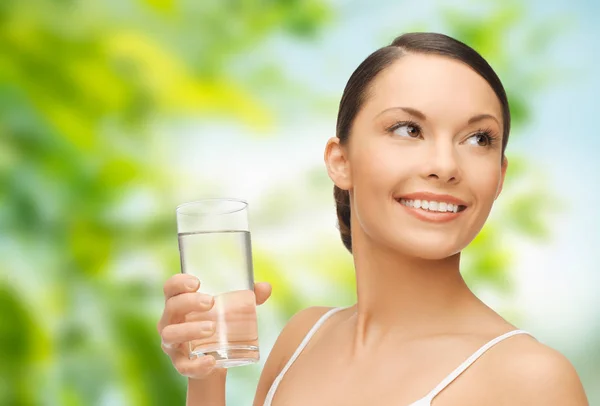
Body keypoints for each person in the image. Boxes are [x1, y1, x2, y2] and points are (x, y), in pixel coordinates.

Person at [157, 32, 589, 405]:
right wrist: (207, 377)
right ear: (340, 160)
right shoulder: (303, 338)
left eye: (479, 138)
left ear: (499, 175)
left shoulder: (530, 378)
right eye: (408, 129)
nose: (445, 165)